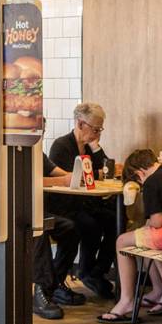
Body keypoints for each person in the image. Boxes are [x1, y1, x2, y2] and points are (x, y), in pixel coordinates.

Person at [48, 102, 117, 299]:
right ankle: (81, 273)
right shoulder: (62, 146)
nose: (98, 133)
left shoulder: (88, 147)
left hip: (86, 203)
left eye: (100, 129)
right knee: (90, 226)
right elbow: (74, 178)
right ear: (80, 124)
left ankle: (96, 272)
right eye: (95, 129)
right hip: (65, 205)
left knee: (115, 221)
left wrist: (96, 148)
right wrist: (96, 173)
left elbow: (107, 170)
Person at [98, 149, 162, 323]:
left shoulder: (151, 182)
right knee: (143, 236)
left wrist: (146, 226)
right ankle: (160, 291)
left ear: (139, 174)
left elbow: (157, 221)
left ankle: (127, 300)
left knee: (122, 241)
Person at [32, 151, 85, 320]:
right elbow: (28, 180)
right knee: (39, 230)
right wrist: (63, 181)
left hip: (37, 210)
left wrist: (74, 177)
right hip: (15, 211)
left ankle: (55, 284)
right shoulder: (14, 150)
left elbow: (56, 171)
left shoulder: (36, 152)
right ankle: (41, 290)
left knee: (71, 228)